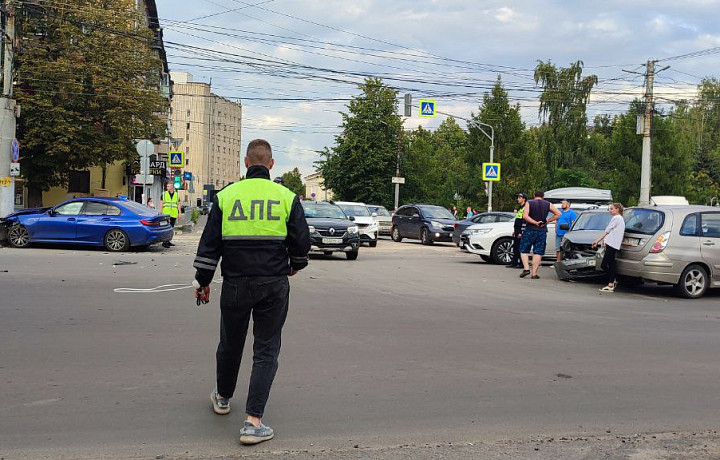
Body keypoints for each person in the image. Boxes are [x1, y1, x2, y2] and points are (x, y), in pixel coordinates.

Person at [192, 139, 311, 445]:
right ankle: (253, 422)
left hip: (235, 283)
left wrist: (203, 281)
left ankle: (221, 397)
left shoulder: (227, 196)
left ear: (246, 163)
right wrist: (294, 264)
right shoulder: (286, 196)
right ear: (271, 165)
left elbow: (209, 245)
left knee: (230, 343)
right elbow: (301, 242)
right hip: (273, 283)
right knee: (266, 349)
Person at [519, 191, 560, 279]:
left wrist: (535, 222)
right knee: (538, 252)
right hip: (542, 230)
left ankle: (526, 268)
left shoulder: (529, 203)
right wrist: (547, 221)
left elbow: (525, 216)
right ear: (543, 196)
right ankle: (534, 274)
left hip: (530, 229)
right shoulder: (548, 204)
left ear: (534, 196)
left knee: (524, 250)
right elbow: (558, 214)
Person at [592, 203, 625, 292]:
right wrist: (605, 240)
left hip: (612, 244)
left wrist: (597, 240)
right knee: (611, 263)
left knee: (604, 264)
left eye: (612, 208)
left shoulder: (616, 218)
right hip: (613, 243)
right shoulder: (620, 219)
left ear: (617, 209)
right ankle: (611, 283)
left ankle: (613, 280)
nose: (610, 210)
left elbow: (607, 231)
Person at [506, 193, 527, 269]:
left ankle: (521, 264)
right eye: (518, 197)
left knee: (520, 247)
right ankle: (514, 263)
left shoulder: (525, 208)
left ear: (524, 199)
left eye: (520, 197)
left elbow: (524, 221)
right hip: (517, 229)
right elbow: (518, 219)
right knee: (515, 247)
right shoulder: (520, 208)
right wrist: (515, 230)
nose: (518, 199)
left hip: (521, 230)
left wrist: (521, 232)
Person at [160, 182, 181, 248]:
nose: (167, 187)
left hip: (174, 214)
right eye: (167, 186)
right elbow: (161, 203)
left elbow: (179, 204)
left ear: (172, 187)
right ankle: (164, 242)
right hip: (166, 214)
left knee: (171, 228)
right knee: (166, 228)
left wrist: (179, 213)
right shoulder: (164, 194)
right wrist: (160, 212)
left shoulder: (177, 195)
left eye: (168, 186)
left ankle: (168, 241)